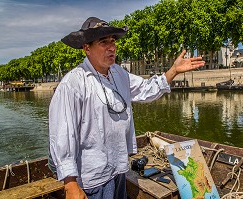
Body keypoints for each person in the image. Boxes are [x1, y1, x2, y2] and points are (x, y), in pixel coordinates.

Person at [48, 16, 205, 199]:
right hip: (93, 178)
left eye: (113, 41)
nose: (112, 47)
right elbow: (63, 135)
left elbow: (147, 90)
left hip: (118, 168)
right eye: (103, 42)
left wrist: (173, 71)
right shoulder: (73, 83)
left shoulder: (118, 73)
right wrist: (71, 184)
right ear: (87, 48)